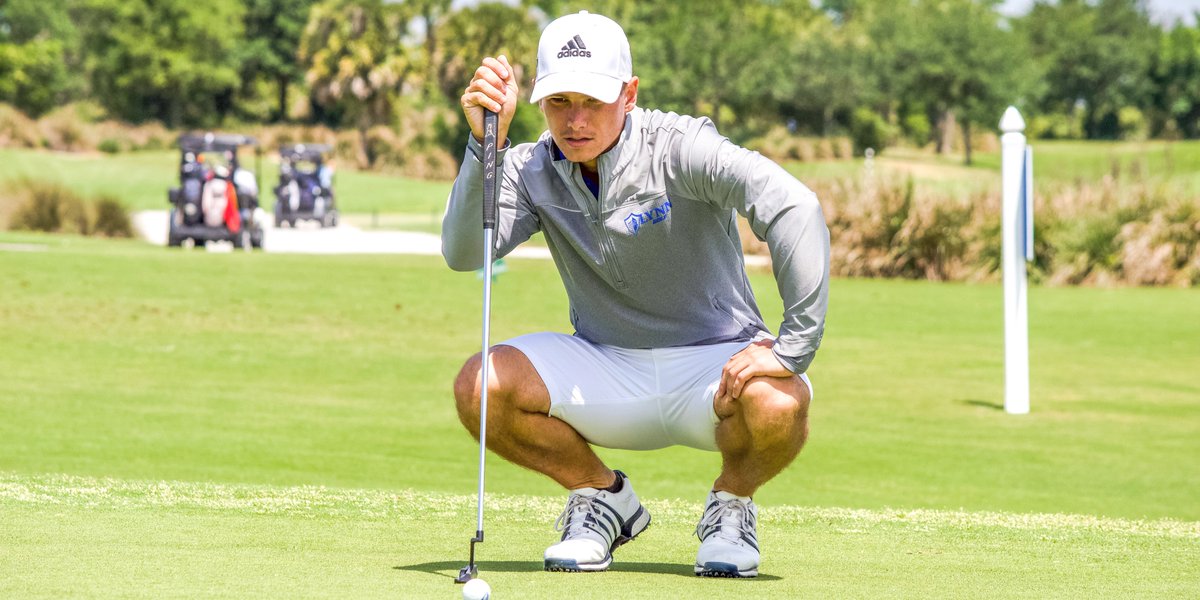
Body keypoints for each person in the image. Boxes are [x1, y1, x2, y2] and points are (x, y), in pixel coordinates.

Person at [442, 11, 829, 578]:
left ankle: (731, 506)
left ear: (629, 93)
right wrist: (485, 148)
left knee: (782, 402)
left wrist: (791, 348)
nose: (575, 121)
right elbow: (463, 252)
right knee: (480, 387)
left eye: (593, 102)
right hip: (604, 363)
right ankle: (601, 498)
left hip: (715, 367)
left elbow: (795, 206)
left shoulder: (681, 147)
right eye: (559, 102)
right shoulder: (530, 168)